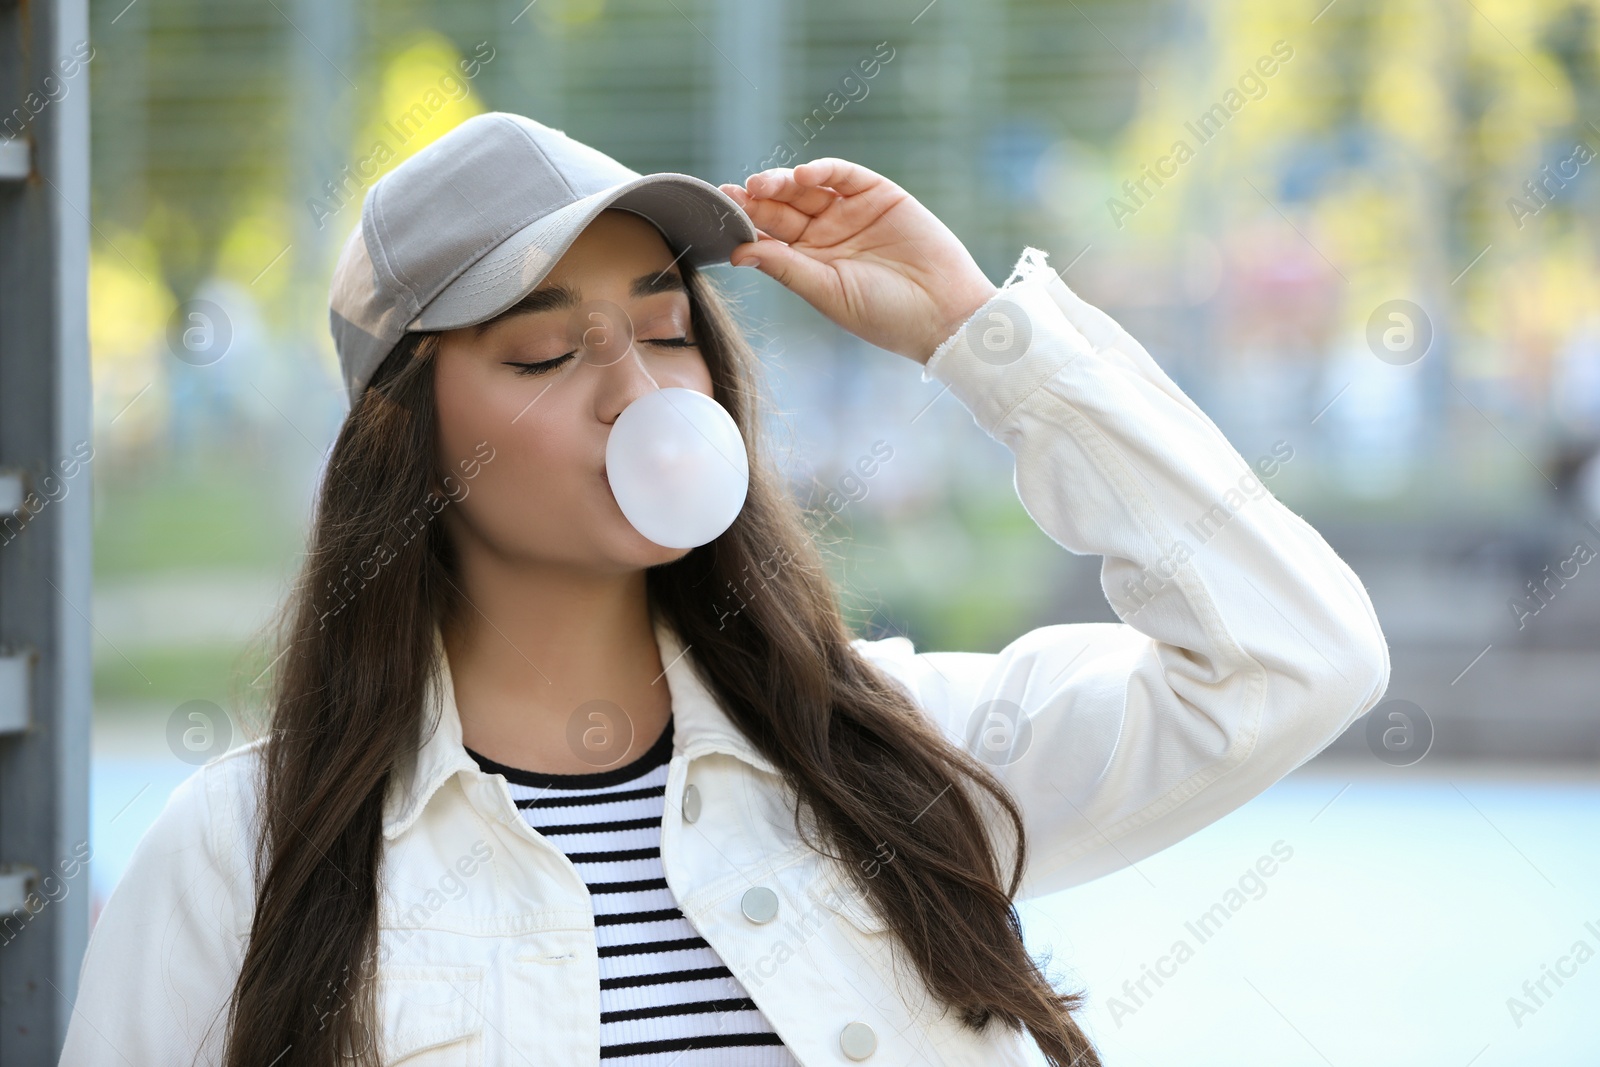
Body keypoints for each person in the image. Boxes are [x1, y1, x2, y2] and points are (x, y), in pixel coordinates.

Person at [58, 112, 1390, 1067]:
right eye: (541, 356)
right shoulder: (241, 852)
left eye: (662, 330)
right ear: (410, 448)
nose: (639, 395)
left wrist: (979, 335)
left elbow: (1295, 658)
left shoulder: (898, 754)